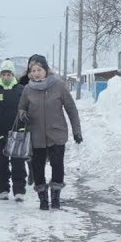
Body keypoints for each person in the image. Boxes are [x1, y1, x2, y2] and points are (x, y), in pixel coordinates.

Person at [17, 54, 83, 211]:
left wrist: (77, 131)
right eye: (33, 70)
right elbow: (21, 108)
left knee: (57, 166)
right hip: (36, 135)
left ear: (46, 70)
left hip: (57, 134)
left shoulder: (58, 86)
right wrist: (22, 115)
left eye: (39, 69)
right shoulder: (28, 89)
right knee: (37, 167)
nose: (36, 73)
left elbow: (71, 110)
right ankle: (43, 199)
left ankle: (55, 197)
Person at [0, 59, 28, 201]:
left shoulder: (21, 90)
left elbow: (26, 109)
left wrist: (24, 126)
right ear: (0, 75)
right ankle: (2, 188)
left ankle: (19, 190)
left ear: (13, 75)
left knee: (18, 163)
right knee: (0, 163)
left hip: (17, 133)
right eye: (4, 74)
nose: (6, 77)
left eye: (9, 74)